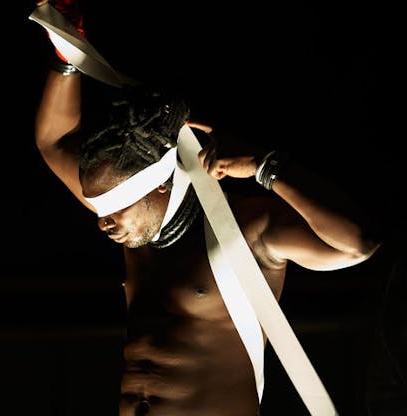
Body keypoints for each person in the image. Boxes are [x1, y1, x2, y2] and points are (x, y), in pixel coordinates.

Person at [32, 1, 382, 414]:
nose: (103, 223)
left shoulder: (247, 230)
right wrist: (67, 56)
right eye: (102, 209)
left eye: (115, 209)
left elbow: (357, 245)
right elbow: (53, 142)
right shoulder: (130, 220)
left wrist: (263, 166)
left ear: (160, 187)